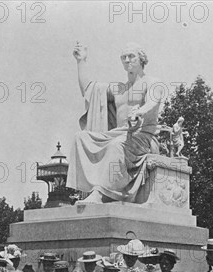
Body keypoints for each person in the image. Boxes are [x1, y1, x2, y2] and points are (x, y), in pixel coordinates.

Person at [67, 42, 164, 203]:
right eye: (123, 57)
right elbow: (89, 91)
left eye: (131, 56)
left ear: (142, 60)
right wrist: (81, 62)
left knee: (116, 145)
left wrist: (140, 112)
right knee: (81, 137)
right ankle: (90, 189)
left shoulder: (152, 82)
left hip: (143, 137)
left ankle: (101, 193)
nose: (127, 60)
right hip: (119, 134)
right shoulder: (119, 89)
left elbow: (153, 101)